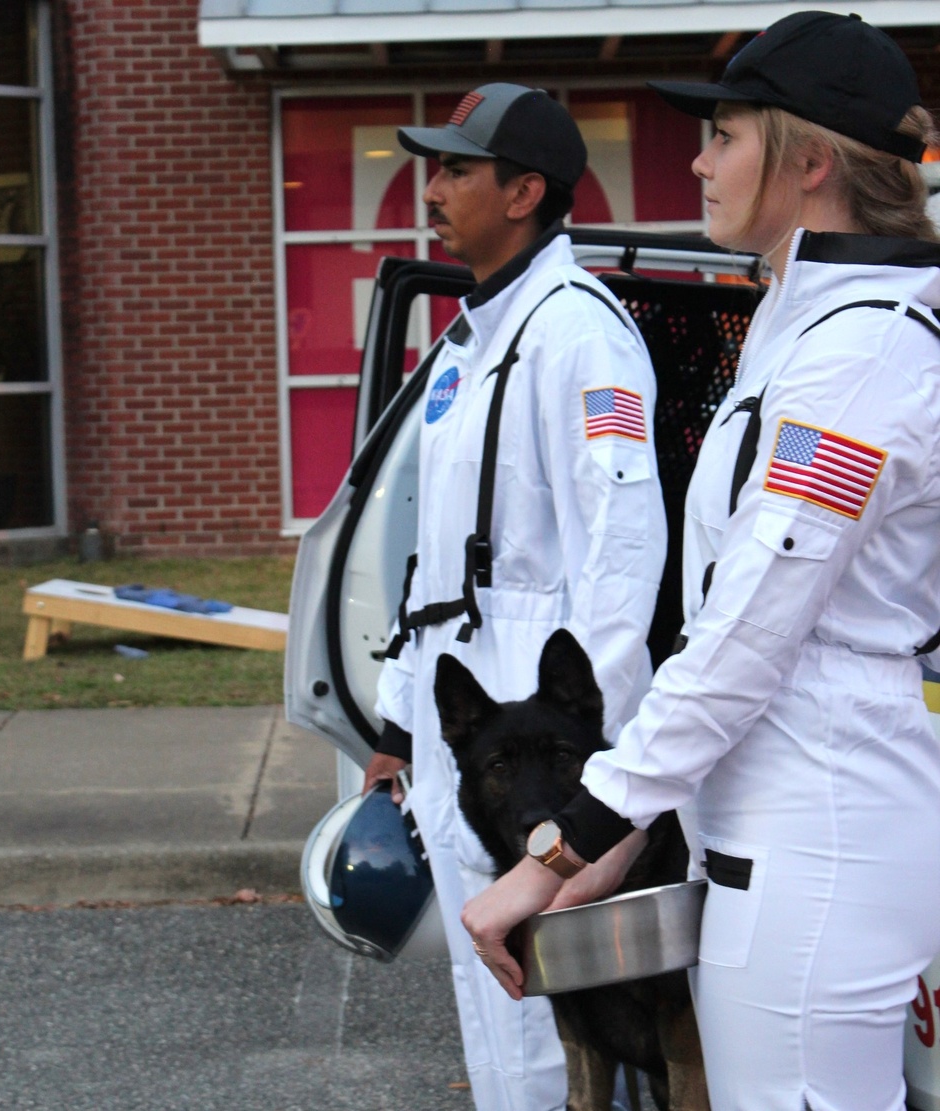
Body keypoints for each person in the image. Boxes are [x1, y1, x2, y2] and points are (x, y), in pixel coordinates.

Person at [462, 13, 940, 1111]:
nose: (695, 158)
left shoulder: (854, 356)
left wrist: (564, 847)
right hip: (785, 821)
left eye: (722, 135)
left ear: (808, 160)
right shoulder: (803, 318)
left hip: (818, 831)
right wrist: (629, 840)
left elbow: (747, 634)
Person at [362, 84, 667, 1111]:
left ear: (526, 191)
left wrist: (609, 767)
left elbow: (622, 547)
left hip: (542, 731)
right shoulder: (468, 339)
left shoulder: (581, 335)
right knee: (488, 983)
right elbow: (433, 562)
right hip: (468, 722)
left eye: (455, 169)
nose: (431, 187)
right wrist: (401, 722)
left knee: (565, 1003)